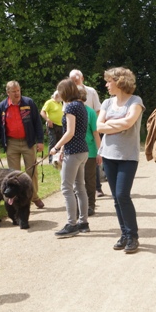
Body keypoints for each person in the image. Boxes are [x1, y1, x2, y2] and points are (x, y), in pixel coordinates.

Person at [97, 67, 145, 254]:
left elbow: (129, 123)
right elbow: (98, 126)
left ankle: (133, 236)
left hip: (127, 156)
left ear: (119, 81)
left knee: (122, 195)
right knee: (116, 198)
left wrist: (111, 125)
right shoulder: (107, 102)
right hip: (108, 155)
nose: (106, 84)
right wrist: (117, 125)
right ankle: (124, 234)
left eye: (109, 81)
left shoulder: (135, 101)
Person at [0, 81, 45, 208]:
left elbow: (37, 123)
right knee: (14, 175)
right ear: (8, 93)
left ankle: (34, 197)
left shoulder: (29, 103)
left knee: (32, 172)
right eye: (14, 91)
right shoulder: (2, 107)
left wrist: (40, 141)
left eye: (18, 90)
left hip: (28, 142)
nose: (17, 93)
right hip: (11, 143)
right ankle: (18, 200)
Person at [50, 79, 90, 237]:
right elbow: (75, 132)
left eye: (60, 91)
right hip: (82, 150)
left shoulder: (70, 107)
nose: (58, 94)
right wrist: (63, 149)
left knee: (67, 188)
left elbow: (70, 132)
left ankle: (71, 224)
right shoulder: (81, 106)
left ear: (64, 92)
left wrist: (56, 147)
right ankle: (83, 222)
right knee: (80, 188)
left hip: (74, 152)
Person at [69, 69, 105, 198]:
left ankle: (97, 188)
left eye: (76, 80)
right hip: (75, 133)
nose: (74, 83)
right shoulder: (68, 94)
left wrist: (90, 123)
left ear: (82, 78)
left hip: (91, 126)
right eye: (72, 81)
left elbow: (98, 110)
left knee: (91, 163)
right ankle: (80, 198)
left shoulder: (91, 91)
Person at [78, 86, 101, 217]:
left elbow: (96, 133)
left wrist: (99, 152)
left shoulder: (90, 112)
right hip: (75, 151)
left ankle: (91, 205)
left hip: (90, 151)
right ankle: (80, 205)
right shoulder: (70, 111)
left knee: (89, 179)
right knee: (77, 181)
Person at [40, 90, 63, 166]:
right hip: (52, 125)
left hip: (61, 125)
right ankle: (50, 160)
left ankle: (59, 160)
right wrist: (48, 120)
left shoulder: (60, 104)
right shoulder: (49, 102)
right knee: (53, 141)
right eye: (61, 97)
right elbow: (42, 112)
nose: (62, 98)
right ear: (56, 96)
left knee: (60, 142)